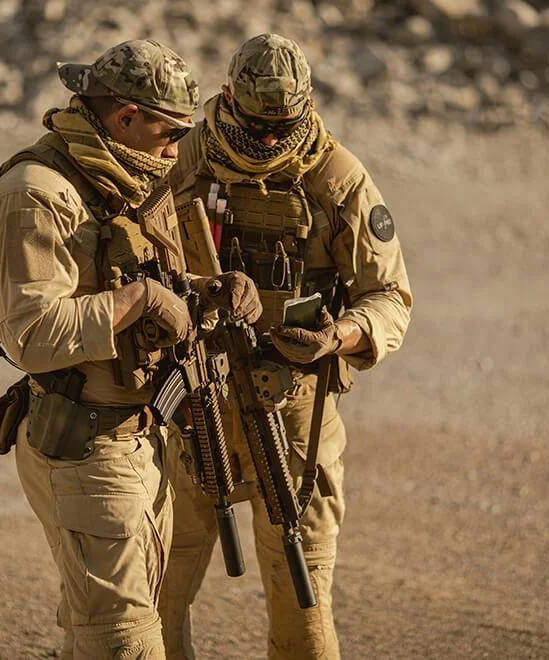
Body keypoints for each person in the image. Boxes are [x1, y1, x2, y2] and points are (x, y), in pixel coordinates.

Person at [0, 40, 249, 659]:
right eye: (169, 131)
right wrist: (140, 302)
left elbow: (135, 278)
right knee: (124, 643)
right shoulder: (36, 192)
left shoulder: (126, 175)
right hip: (87, 449)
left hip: (136, 441)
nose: (177, 149)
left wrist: (210, 290)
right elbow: (32, 335)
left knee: (107, 634)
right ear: (125, 117)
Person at [159, 33, 413, 659]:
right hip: (195, 406)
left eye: (285, 126)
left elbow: (389, 297)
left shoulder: (336, 178)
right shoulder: (183, 158)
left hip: (295, 419)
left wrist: (337, 337)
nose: (270, 141)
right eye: (255, 125)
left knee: (303, 609)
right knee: (152, 593)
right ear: (227, 99)